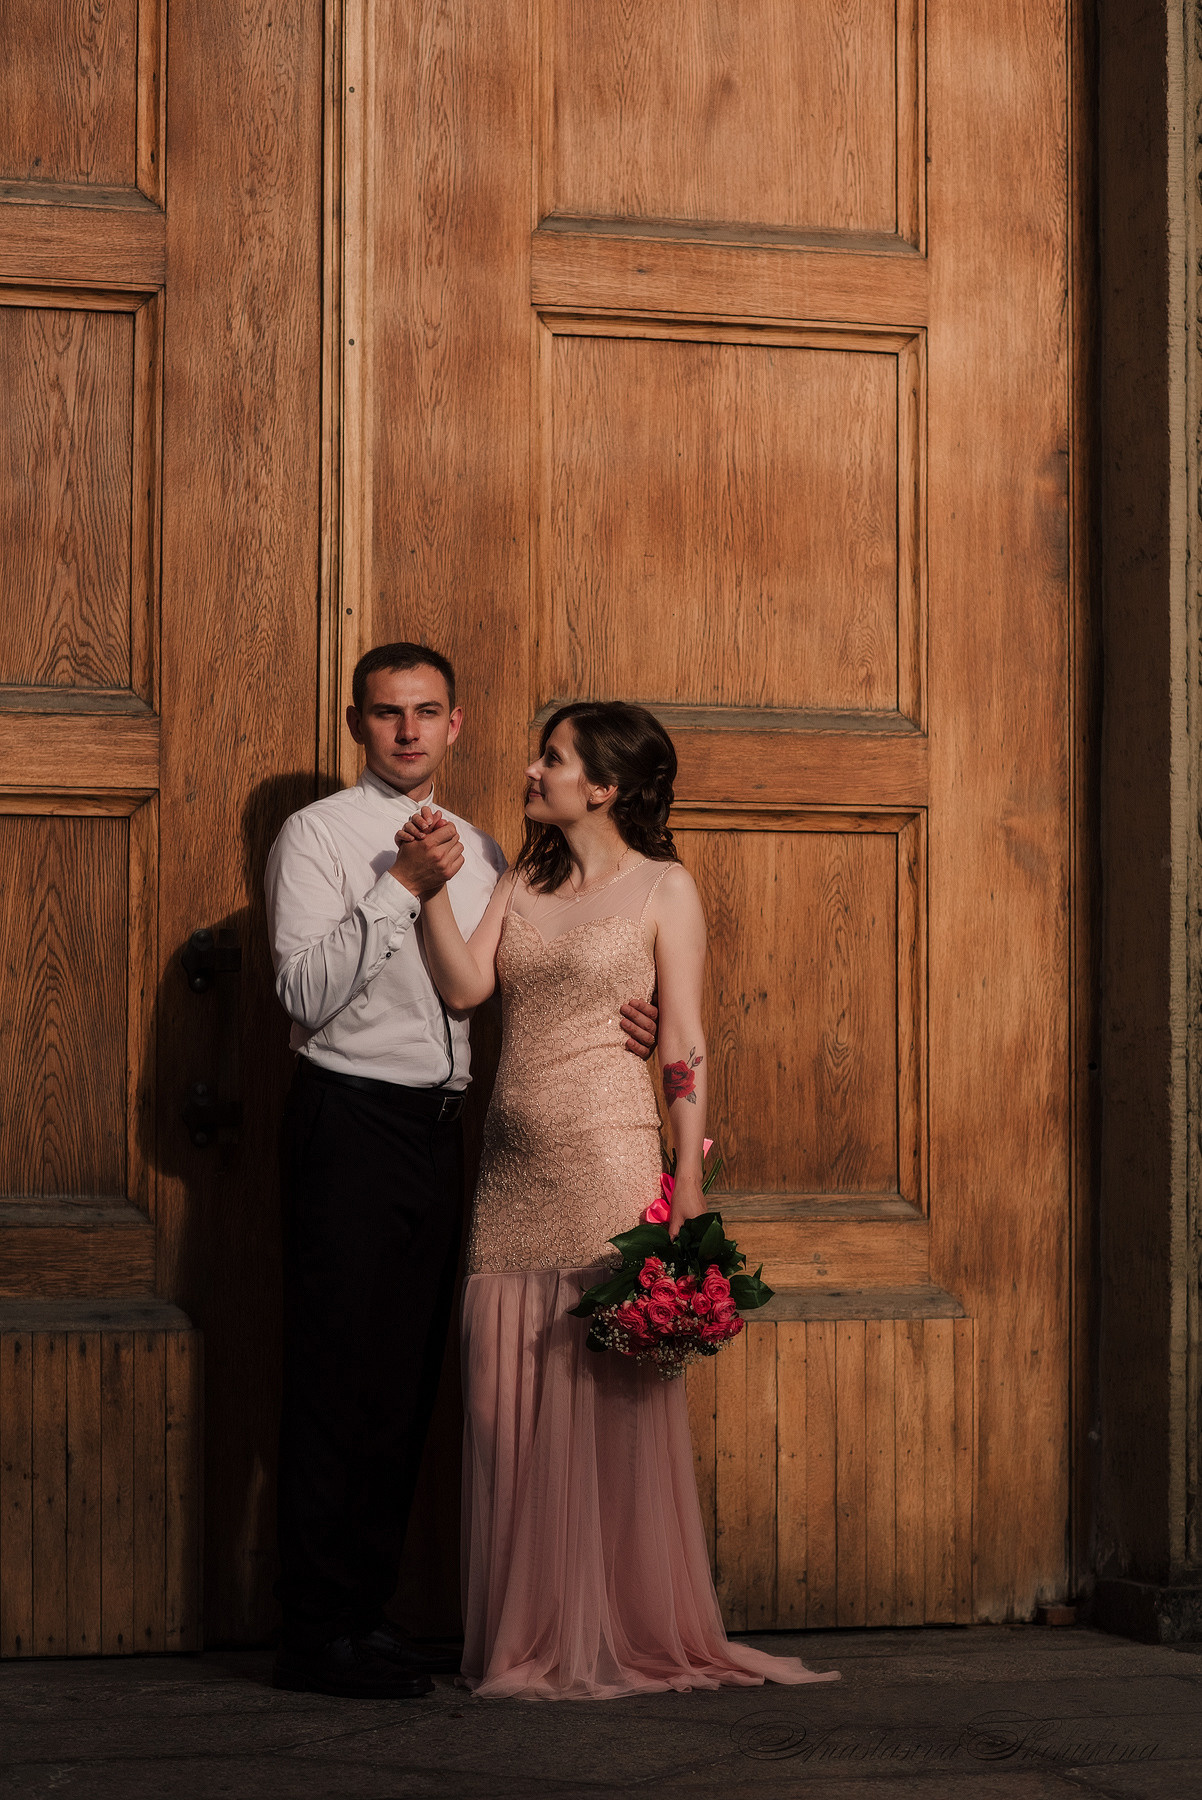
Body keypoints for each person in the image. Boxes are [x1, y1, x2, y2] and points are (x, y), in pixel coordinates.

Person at [401, 700, 840, 1699]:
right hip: (509, 1168)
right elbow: (466, 985)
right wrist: (429, 892)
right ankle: (531, 1637)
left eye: (549, 758)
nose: (531, 768)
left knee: (600, 1405)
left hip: (608, 1154)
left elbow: (680, 1041)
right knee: (502, 1406)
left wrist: (684, 1180)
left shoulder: (663, 888)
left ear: (601, 785)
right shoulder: (524, 876)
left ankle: (608, 1635)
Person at [264, 645, 658, 1699]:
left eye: (425, 712)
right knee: (334, 1376)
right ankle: (314, 1635)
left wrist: (633, 1014)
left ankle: (368, 1613)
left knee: (402, 1383)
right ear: (357, 724)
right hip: (348, 1118)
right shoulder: (316, 838)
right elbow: (303, 993)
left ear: (455, 725)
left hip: (447, 1133)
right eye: (386, 714)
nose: (406, 731)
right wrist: (400, 886)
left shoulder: (494, 848)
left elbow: (509, 979)